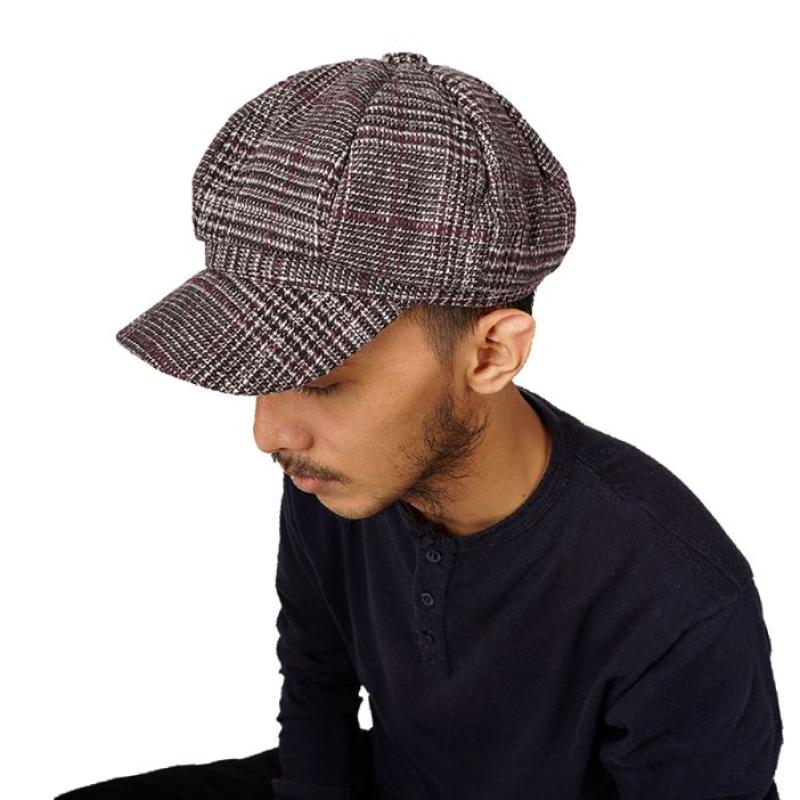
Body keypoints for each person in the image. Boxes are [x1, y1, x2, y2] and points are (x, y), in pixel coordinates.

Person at [56, 51, 783, 799]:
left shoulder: (676, 597)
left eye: (322, 380)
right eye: (261, 372)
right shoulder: (337, 475)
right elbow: (315, 685)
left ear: (492, 353)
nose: (271, 433)